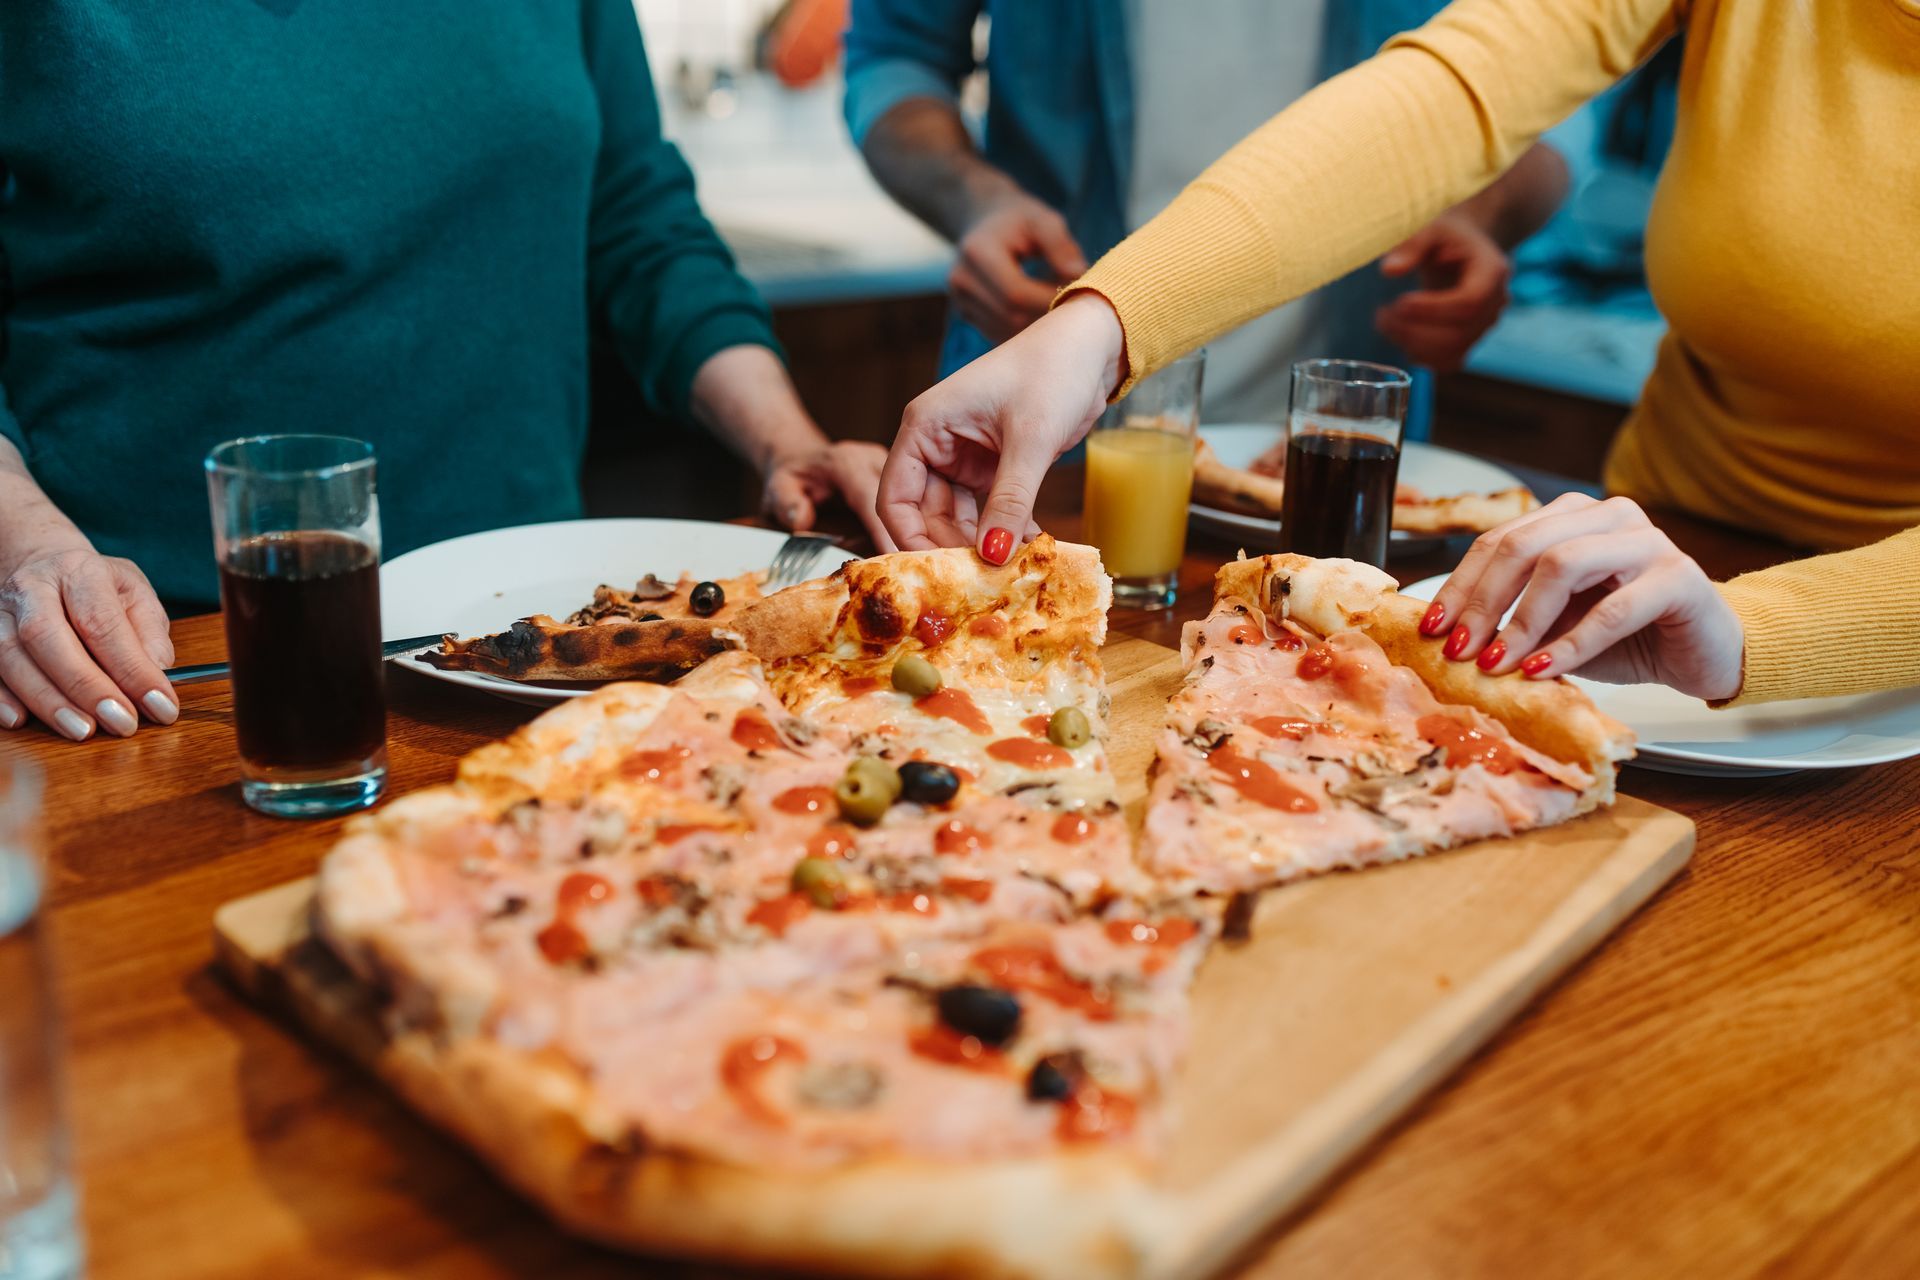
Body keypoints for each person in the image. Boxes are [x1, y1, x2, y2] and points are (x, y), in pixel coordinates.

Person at [877, 0, 1920, 701]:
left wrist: (1758, 634)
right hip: (1640, 556)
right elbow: (1455, 90)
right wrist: (1104, 324)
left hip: (1858, 639)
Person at [0, 1, 887, 743]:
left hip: (549, 652)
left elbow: (634, 218)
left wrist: (786, 441)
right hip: (161, 667)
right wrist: (22, 543)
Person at [843, 0, 1571, 423]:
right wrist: (975, 200)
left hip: (1334, 436)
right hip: (1052, 399)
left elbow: (1560, 100)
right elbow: (893, 56)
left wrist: (1486, 213)